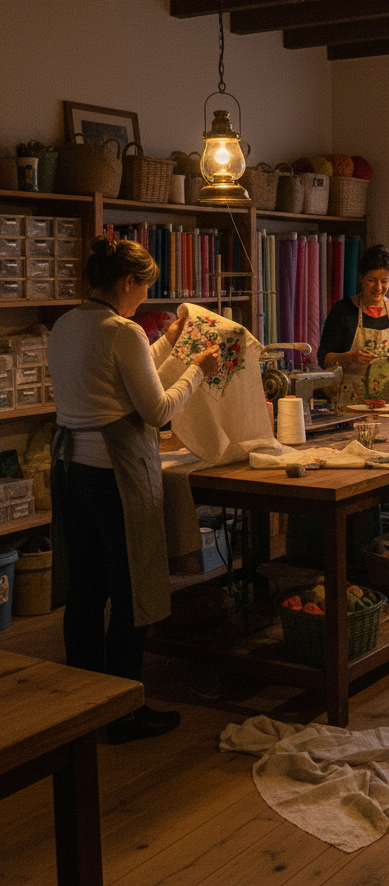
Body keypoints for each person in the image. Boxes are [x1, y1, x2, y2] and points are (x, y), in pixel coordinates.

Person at [47, 237, 221, 744]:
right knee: (132, 592)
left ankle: (82, 703)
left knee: (86, 589)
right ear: (127, 282)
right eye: (143, 289)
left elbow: (125, 376)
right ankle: (125, 711)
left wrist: (168, 340)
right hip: (116, 475)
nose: (143, 299)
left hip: (72, 470)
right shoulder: (120, 331)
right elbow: (157, 409)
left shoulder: (66, 324)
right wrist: (197, 369)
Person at [318, 244, 389, 405]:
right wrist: (350, 357)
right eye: (372, 280)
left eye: (384, 281)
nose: (378, 288)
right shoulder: (342, 311)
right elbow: (323, 358)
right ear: (361, 278)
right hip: (352, 406)